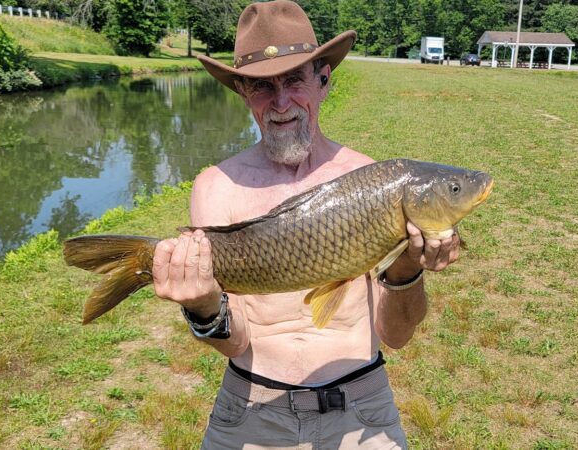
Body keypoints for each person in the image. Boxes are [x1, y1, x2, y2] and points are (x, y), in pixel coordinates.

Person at [151, 1, 461, 448]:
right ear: (242, 92)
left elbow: (397, 335)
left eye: (295, 80)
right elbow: (235, 343)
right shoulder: (216, 186)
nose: (281, 104)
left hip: (361, 406)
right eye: (262, 86)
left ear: (324, 80)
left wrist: (407, 268)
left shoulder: (370, 181)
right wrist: (203, 307)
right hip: (251, 408)